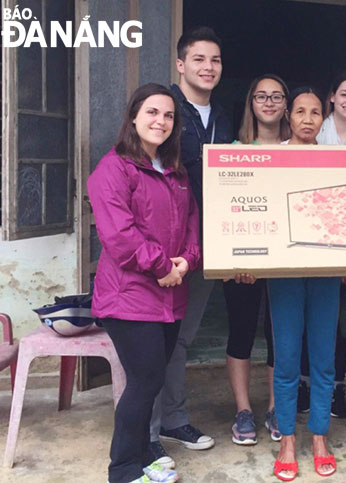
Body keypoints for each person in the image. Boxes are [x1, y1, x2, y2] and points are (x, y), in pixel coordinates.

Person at [88, 83, 199, 483]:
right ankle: (122, 469)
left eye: (168, 115)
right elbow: (120, 235)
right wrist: (161, 267)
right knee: (145, 381)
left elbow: (191, 223)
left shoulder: (175, 172)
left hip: (170, 295)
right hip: (128, 297)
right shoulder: (113, 169)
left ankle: (142, 455)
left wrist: (187, 260)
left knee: (151, 382)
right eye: (152, 112)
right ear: (134, 117)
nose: (161, 122)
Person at [148, 26, 232, 469]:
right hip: (165, 250)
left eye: (215, 60)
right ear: (181, 65)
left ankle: (173, 419)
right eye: (199, 59)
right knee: (155, 340)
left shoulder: (222, 118)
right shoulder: (164, 111)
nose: (208, 68)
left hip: (207, 244)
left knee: (180, 339)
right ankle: (145, 434)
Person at [270, 87, 339, 481]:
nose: (308, 119)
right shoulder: (272, 159)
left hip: (327, 269)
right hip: (284, 270)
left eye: (316, 112)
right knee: (287, 358)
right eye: (300, 111)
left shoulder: (335, 160)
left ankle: (318, 436)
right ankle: (287, 439)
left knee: (323, 357)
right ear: (289, 116)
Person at [296, 72, 346, 419]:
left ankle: (336, 390)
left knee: (342, 325)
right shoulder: (313, 134)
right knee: (302, 321)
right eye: (344, 94)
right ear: (331, 97)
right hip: (310, 235)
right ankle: (303, 384)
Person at [227, 74, 290, 445]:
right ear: (251, 102)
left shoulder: (299, 149)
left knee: (279, 335)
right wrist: (234, 259)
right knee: (241, 332)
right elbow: (227, 211)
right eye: (261, 96)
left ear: (286, 103)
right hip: (245, 262)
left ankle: (274, 407)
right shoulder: (233, 150)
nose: (268, 102)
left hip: (287, 261)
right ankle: (243, 410)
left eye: (276, 96)